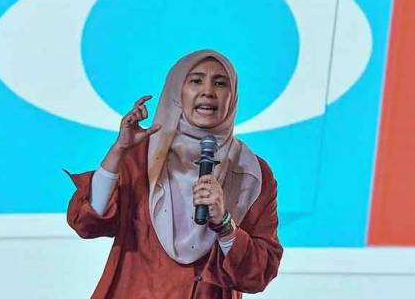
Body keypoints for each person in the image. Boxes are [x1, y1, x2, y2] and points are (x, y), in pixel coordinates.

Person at [65, 50, 283, 298]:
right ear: (178, 90)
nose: (208, 91)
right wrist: (119, 151)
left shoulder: (251, 172)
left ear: (232, 96)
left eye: (220, 83)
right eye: (196, 81)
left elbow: (260, 273)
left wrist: (224, 223)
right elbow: (87, 224)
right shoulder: (142, 155)